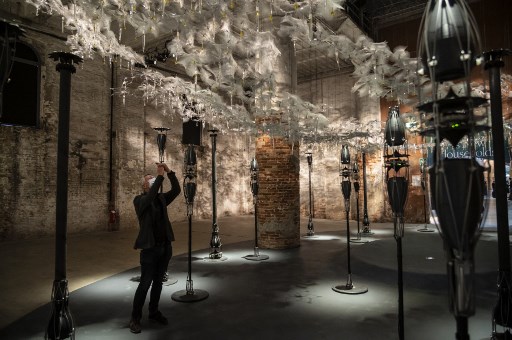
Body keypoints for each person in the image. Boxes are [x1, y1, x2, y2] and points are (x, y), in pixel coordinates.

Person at [129, 163, 181, 334]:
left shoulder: (161, 199)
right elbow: (150, 196)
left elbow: (176, 190)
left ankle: (154, 312)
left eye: (153, 179)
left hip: (164, 247)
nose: (152, 181)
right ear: (144, 186)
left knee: (158, 282)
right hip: (150, 250)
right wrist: (159, 177)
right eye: (149, 180)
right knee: (145, 284)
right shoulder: (140, 201)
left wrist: (169, 172)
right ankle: (135, 318)